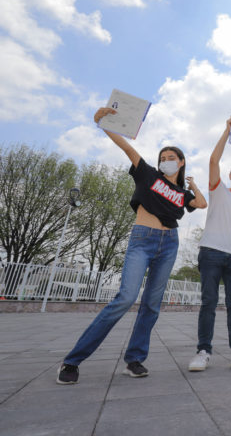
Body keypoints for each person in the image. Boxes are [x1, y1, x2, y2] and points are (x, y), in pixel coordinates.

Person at [57, 107, 206, 385]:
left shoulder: (182, 193)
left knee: (151, 305)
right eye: (163, 158)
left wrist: (193, 185)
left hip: (169, 244)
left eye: (171, 158)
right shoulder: (148, 174)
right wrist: (103, 124)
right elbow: (127, 148)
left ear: (181, 162)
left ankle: (134, 359)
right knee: (126, 298)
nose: (166, 161)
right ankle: (73, 360)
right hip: (143, 239)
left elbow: (202, 203)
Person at [188, 116, 231, 373]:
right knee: (208, 303)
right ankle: (203, 352)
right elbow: (213, 161)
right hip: (211, 253)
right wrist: (227, 131)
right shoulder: (218, 190)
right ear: (230, 176)